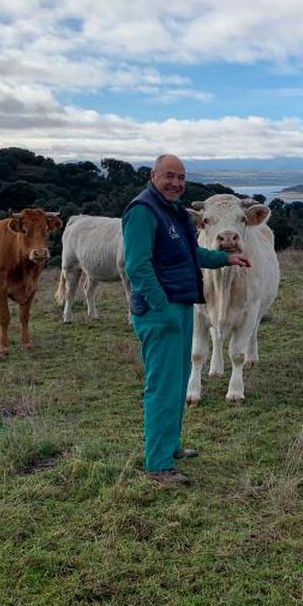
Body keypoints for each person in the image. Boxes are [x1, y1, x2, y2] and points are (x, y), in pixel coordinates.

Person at [122, 154, 252, 486]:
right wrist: (162, 309)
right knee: (163, 388)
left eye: (181, 177)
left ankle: (171, 447)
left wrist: (226, 258)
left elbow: (192, 255)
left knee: (178, 383)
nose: (176, 182)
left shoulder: (175, 212)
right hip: (159, 311)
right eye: (169, 176)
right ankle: (159, 465)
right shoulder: (142, 212)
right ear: (153, 175)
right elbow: (137, 266)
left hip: (180, 307)